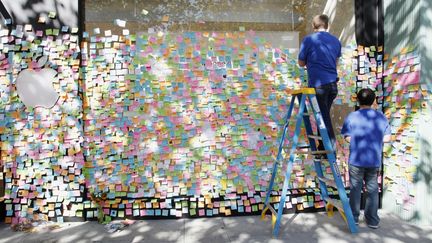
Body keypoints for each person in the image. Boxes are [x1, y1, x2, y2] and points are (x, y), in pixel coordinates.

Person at [341, 88, 391, 229]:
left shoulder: (352, 116)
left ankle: (354, 219)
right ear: (374, 101)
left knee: (355, 190)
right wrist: (374, 140)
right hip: (374, 159)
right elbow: (388, 138)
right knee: (373, 190)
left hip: (356, 159)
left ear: (358, 100)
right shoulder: (381, 117)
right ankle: (373, 220)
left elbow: (348, 138)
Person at [298, 14, 341, 150]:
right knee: (323, 115)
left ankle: (330, 149)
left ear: (313, 25)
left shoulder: (308, 40)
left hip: (319, 85)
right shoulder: (336, 41)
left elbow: (300, 63)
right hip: (333, 85)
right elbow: (335, 62)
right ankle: (323, 147)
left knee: (323, 117)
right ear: (327, 25)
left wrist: (310, 63)